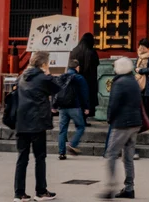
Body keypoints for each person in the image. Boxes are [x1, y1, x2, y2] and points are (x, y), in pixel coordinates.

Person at [14, 51, 60, 202]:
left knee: (22, 158)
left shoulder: (21, 77)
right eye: (48, 63)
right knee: (40, 158)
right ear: (43, 64)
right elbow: (57, 88)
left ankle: (19, 193)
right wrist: (48, 73)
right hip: (37, 123)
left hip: (21, 122)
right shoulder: (42, 78)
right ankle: (41, 191)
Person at [99, 57, 142, 200]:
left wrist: (110, 119)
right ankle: (129, 188)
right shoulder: (133, 82)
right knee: (128, 157)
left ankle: (110, 187)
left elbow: (113, 104)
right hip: (135, 122)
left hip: (122, 123)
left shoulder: (119, 83)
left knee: (111, 154)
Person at [54, 59, 90, 160]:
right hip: (75, 106)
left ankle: (61, 153)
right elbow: (84, 93)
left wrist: (54, 106)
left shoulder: (61, 77)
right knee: (80, 126)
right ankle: (72, 144)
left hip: (62, 107)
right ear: (77, 67)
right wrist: (86, 107)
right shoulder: (79, 78)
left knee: (62, 130)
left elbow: (55, 92)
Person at [70, 32, 100, 126]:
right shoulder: (91, 52)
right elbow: (97, 64)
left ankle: (77, 119)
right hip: (89, 80)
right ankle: (83, 119)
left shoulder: (74, 51)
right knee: (87, 99)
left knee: (77, 99)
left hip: (75, 78)